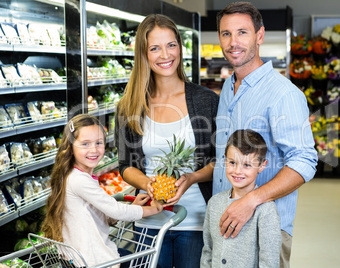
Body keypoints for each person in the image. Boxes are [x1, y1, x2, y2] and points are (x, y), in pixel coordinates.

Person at [212, 2, 318, 267]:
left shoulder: (284, 93)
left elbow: (304, 161)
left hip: (264, 230)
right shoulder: (228, 87)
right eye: (226, 33)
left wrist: (250, 201)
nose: (233, 42)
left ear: (260, 36)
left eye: (242, 32)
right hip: (224, 222)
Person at [114, 14, 219, 268]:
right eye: (155, 48)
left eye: (171, 45)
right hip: (148, 222)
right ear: (143, 54)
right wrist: (147, 183)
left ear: (180, 47)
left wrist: (192, 177)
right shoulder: (130, 105)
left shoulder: (206, 100)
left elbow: (221, 161)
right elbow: (126, 166)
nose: (165, 55)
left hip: (196, 220)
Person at [41, 114, 163, 267]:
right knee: (145, 263)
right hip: (94, 260)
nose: (94, 149)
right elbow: (117, 211)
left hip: (78, 258)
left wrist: (134, 207)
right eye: (85, 144)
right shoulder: (79, 180)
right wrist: (154, 209)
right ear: (70, 147)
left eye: (99, 142)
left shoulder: (74, 175)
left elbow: (99, 214)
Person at [201, 129, 281, 268]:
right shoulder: (214, 203)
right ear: (225, 160)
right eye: (232, 162)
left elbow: (269, 262)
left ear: (262, 165)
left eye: (247, 165)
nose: (237, 171)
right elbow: (208, 251)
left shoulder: (266, 210)